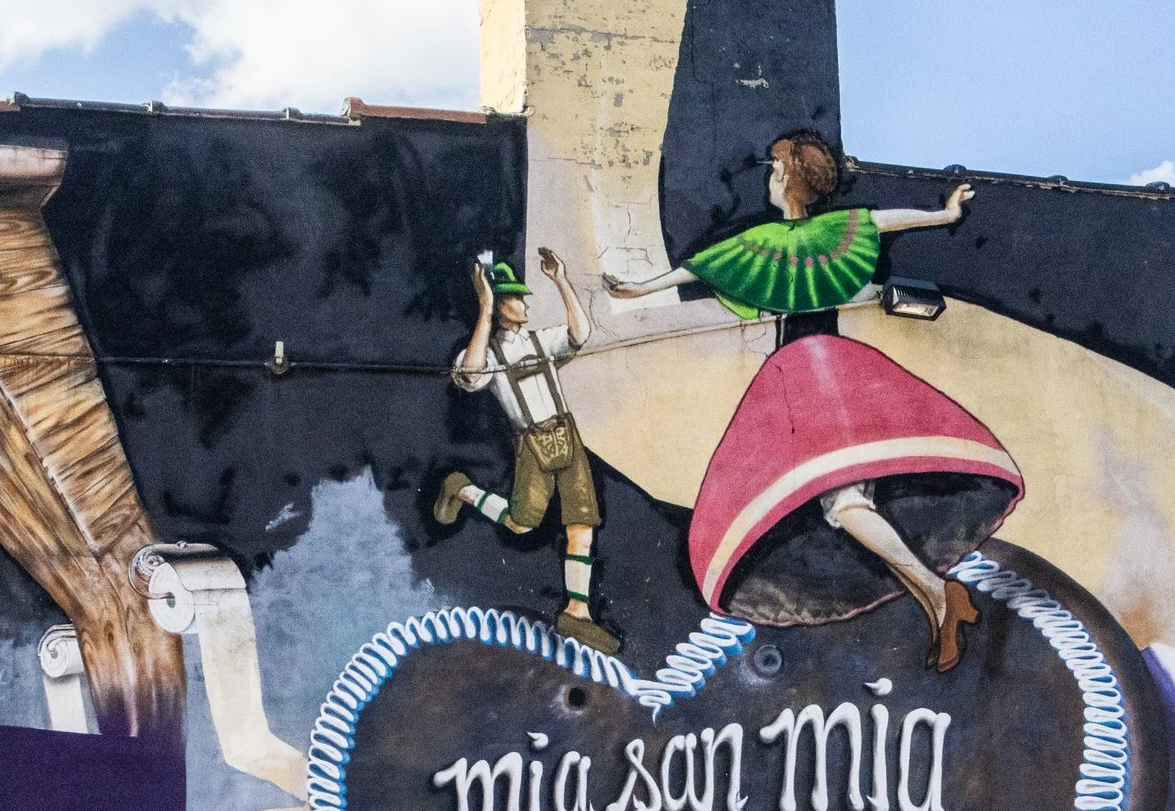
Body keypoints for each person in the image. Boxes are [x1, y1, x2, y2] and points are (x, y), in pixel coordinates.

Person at [607, 130, 1020, 673]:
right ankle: (941, 603)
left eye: (775, 168)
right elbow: (710, 263)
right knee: (845, 502)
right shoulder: (811, 235)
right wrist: (943, 215)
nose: (769, 178)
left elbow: (706, 265)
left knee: (845, 503)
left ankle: (940, 593)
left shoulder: (784, 238)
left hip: (812, 375)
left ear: (786, 176)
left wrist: (641, 289)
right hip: (824, 371)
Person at [435, 248, 619, 655]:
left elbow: (579, 335)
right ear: (501, 305)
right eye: (516, 297)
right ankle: (462, 489)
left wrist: (560, 279)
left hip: (567, 439)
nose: (525, 302)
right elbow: (470, 374)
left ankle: (577, 612)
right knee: (521, 523)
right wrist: (484, 309)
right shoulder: (488, 354)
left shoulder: (541, 340)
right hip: (532, 446)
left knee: (582, 525)